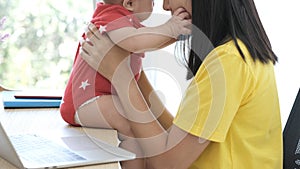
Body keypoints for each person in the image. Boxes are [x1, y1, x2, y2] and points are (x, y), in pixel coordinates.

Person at [79, 0, 283, 168]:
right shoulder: (236, 54)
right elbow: (176, 136)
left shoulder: (229, 62)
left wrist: (120, 77)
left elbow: (168, 163)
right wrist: (131, 72)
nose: (165, 6)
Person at [60, 0, 191, 168]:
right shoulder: (111, 17)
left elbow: (150, 40)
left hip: (95, 99)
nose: (159, 4)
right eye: (151, 0)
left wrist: (177, 32)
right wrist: (171, 28)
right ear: (129, 3)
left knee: (135, 129)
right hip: (85, 102)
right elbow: (135, 42)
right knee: (134, 124)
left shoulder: (121, 20)